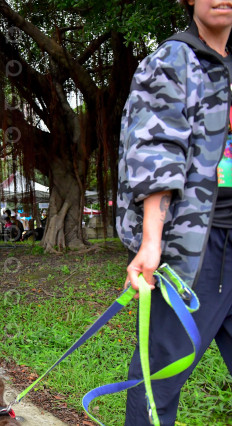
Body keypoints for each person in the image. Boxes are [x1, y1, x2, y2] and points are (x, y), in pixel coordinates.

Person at [117, 2, 232, 424]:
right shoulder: (173, 59)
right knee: (156, 383)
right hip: (193, 252)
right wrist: (152, 242)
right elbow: (156, 152)